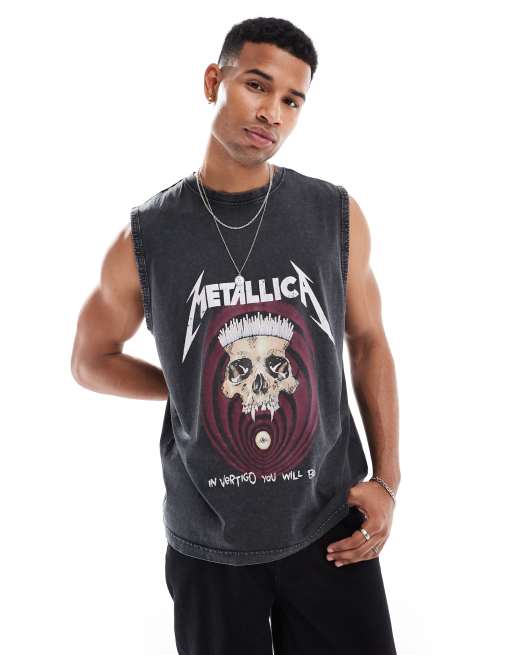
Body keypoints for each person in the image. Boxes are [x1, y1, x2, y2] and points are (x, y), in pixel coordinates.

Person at [71, 16, 401, 655]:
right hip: (209, 546)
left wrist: (386, 479)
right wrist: (187, 388)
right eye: (256, 85)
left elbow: (368, 342)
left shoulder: (333, 214)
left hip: (330, 528)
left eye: (292, 100)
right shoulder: (148, 236)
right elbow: (91, 360)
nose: (272, 112)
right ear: (212, 82)